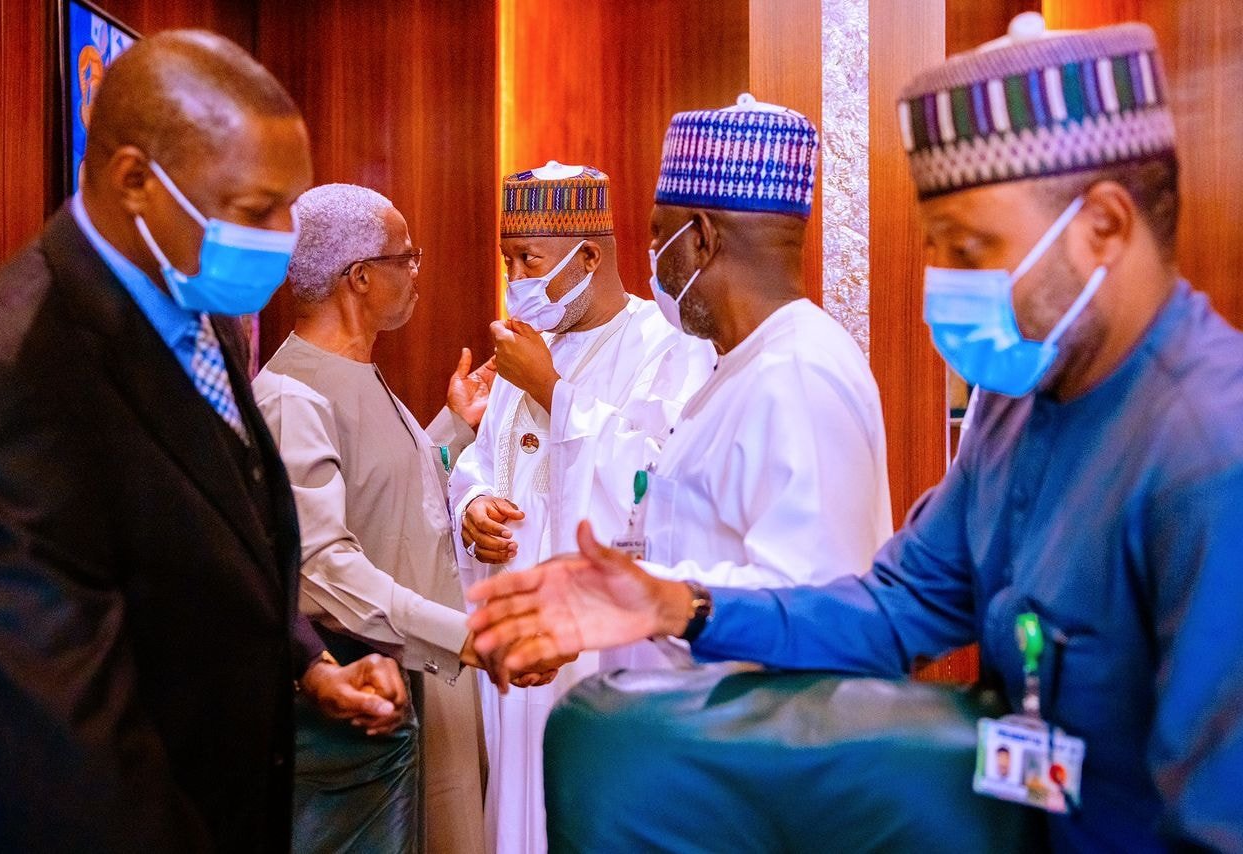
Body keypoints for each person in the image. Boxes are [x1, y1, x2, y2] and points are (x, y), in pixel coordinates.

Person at [468, 18, 1243, 852]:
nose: (945, 282)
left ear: (1105, 227)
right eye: (937, 248)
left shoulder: (1209, 451)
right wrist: (677, 605)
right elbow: (896, 607)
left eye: (973, 248)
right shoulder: (1018, 406)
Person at [0, 31, 407, 852]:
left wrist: (310, 665)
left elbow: (224, 528)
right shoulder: (11, 368)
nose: (282, 235)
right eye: (255, 209)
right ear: (136, 180)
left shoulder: (197, 305)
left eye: (290, 205)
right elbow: (58, 728)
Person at [448, 161, 715, 854]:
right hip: (516, 640)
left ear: (588, 257)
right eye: (508, 260)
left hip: (596, 648)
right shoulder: (528, 348)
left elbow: (656, 481)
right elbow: (487, 457)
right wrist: (474, 501)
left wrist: (553, 391)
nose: (515, 278)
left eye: (529, 259)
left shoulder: (667, 346)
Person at [254, 183, 519, 853]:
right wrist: (467, 637)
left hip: (432, 675)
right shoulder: (292, 395)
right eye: (407, 257)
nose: (416, 271)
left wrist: (454, 427)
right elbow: (322, 572)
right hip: (380, 694)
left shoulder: (354, 373)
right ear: (361, 277)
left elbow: (389, 498)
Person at [639, 92, 891, 614]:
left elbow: (811, 602)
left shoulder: (796, 374)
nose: (655, 258)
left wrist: (637, 597)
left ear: (701, 238)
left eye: (659, 235)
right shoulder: (742, 363)